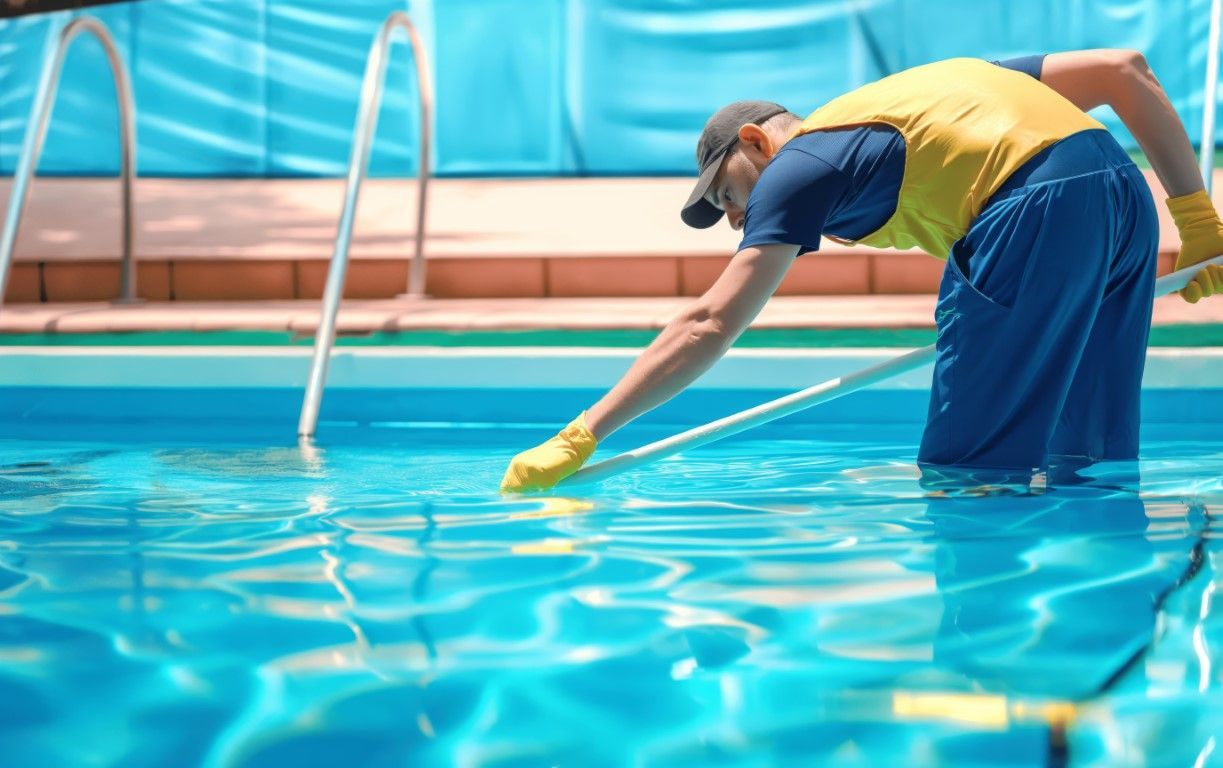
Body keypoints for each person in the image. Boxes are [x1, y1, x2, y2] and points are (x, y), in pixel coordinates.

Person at [500, 50, 1222, 494]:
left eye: (727, 195)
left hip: (1030, 208)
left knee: (965, 472)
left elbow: (711, 320)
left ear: (757, 140)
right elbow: (1123, 72)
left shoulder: (798, 163)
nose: (734, 219)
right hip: (1118, 194)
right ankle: (1102, 609)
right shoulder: (938, 85)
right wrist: (1194, 218)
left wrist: (585, 432)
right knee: (1084, 451)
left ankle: (994, 656)